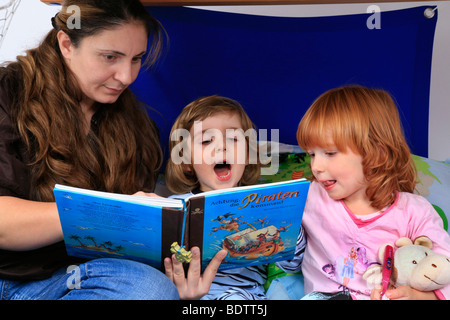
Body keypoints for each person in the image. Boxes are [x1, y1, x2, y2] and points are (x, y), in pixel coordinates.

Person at [0, 0, 179, 299]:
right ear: (67, 44)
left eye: (136, 59)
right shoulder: (7, 93)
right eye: (110, 57)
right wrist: (103, 213)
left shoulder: (138, 125)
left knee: (151, 287)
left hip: (70, 280)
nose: (127, 76)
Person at [296, 85, 450, 300]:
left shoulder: (415, 211)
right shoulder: (310, 196)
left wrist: (418, 296)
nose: (316, 166)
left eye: (329, 153)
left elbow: (443, 268)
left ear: (376, 155)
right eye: (312, 154)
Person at [163, 95, 306, 299]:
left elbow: (292, 266)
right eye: (206, 140)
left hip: (245, 297)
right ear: (186, 161)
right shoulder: (173, 207)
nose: (222, 147)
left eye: (233, 139)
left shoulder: (264, 203)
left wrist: (291, 220)